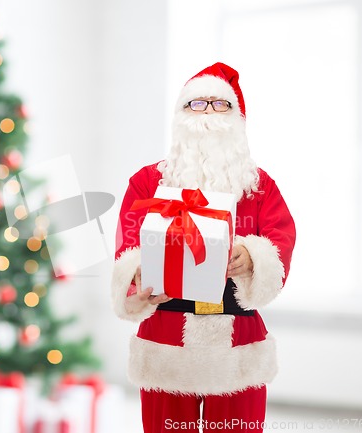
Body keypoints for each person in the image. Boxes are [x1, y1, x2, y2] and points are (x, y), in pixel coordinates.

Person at [111, 62, 296, 433]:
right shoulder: (147, 181)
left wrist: (254, 257)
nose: (209, 113)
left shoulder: (259, 187)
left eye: (220, 104)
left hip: (236, 340)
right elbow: (127, 244)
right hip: (166, 335)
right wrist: (139, 273)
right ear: (181, 114)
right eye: (197, 104)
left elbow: (281, 238)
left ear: (238, 117)